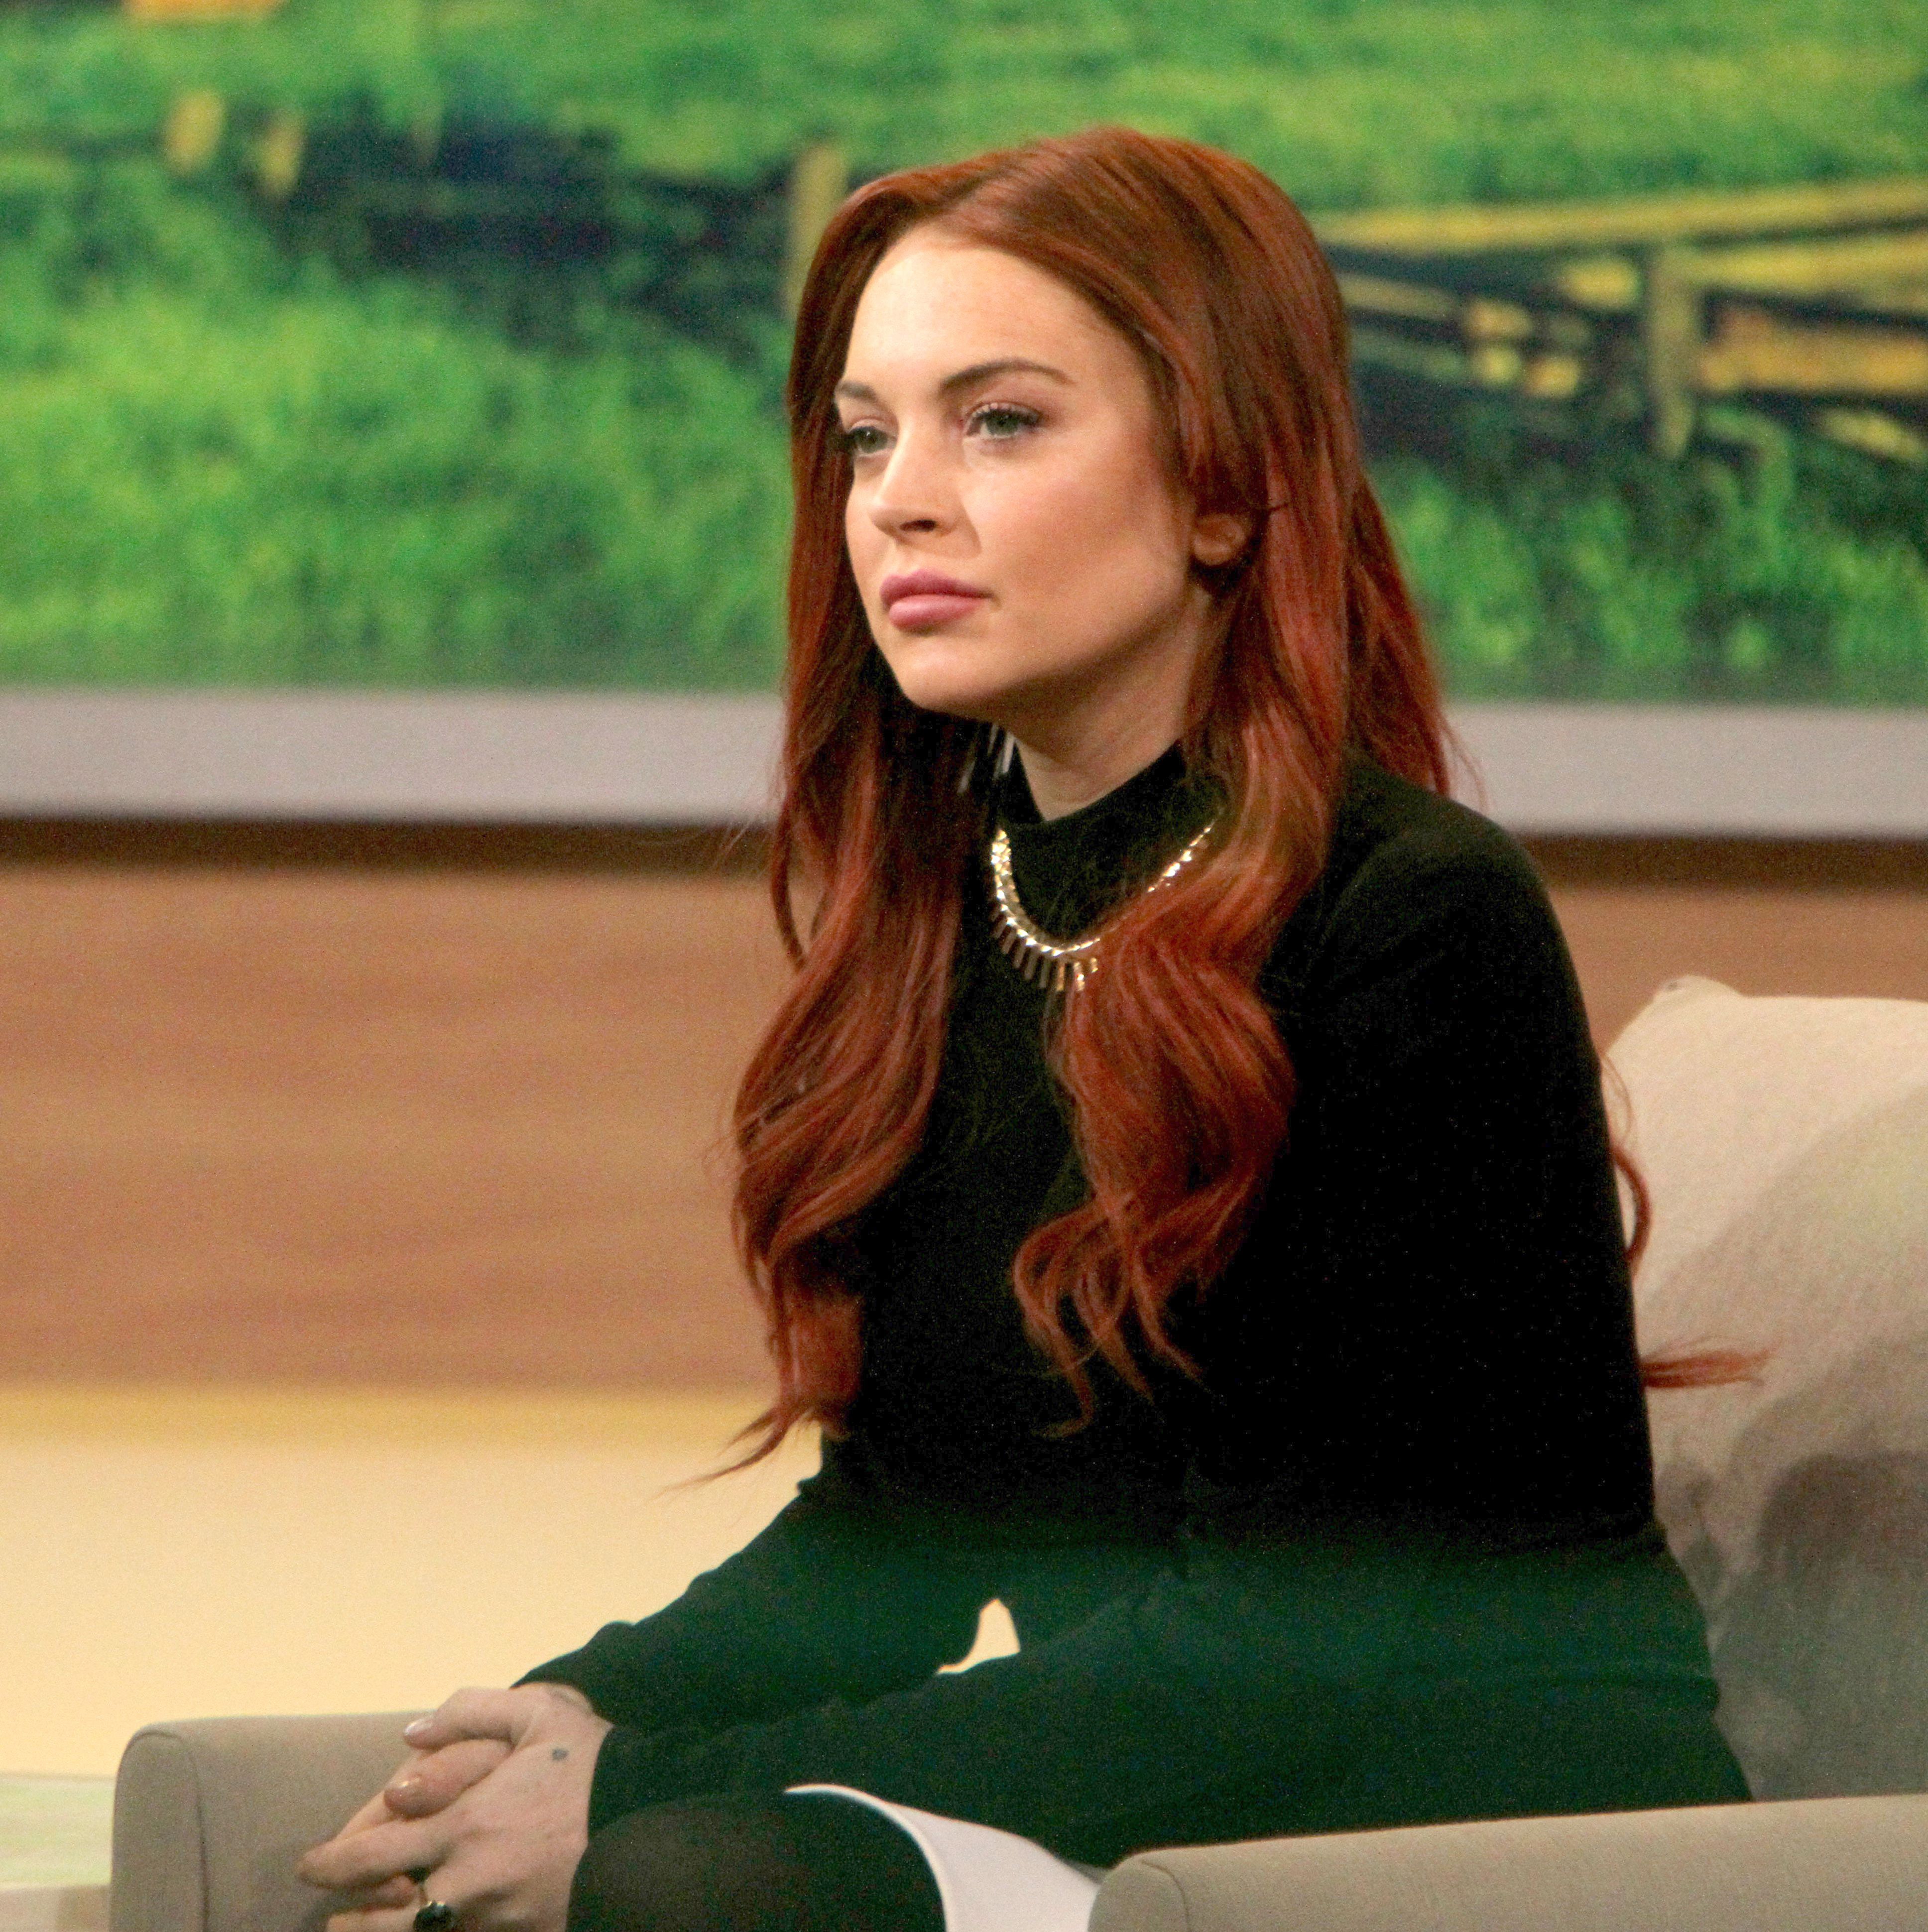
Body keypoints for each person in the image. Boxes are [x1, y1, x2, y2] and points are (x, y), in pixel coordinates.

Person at [298, 125, 1750, 1932]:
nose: (900, 501)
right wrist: (565, 1721)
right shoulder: (968, 906)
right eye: (866, 436)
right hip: (1161, 1819)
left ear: (1225, 488)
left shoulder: (1413, 920)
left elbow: (1287, 1651)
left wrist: (640, 1794)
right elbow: (905, 1533)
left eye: (997, 422)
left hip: (1465, 1830)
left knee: (691, 1881)